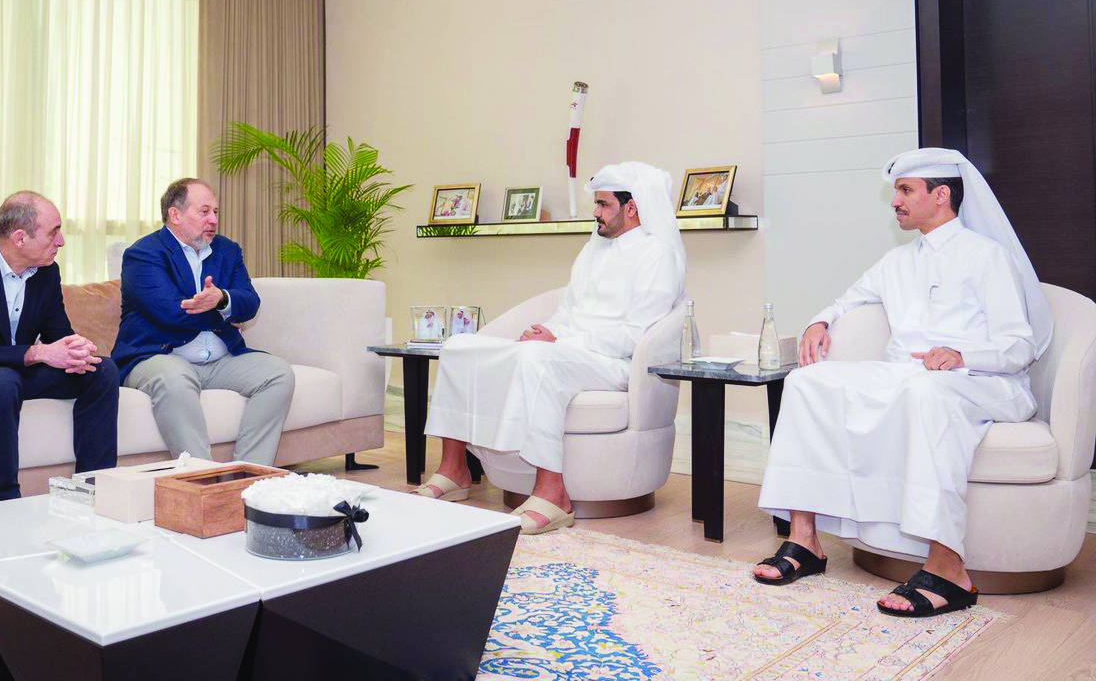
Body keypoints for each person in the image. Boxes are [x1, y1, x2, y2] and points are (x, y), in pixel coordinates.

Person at [753, 147, 1052, 618]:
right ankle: (805, 540)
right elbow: (845, 300)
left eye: (905, 190)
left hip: (981, 378)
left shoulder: (986, 256)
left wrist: (962, 355)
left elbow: (1019, 345)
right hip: (908, 375)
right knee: (807, 382)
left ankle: (949, 570)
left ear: (941, 195)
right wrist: (819, 322)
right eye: (896, 191)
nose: (895, 201)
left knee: (924, 392)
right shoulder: (896, 261)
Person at [416, 162, 686, 534]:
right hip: (570, 352)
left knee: (538, 357)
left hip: (616, 362)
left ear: (631, 208)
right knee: (460, 346)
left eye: (603, 204)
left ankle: (553, 493)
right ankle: (454, 470)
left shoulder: (657, 255)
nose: (595, 212)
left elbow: (636, 335)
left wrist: (557, 342)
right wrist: (547, 330)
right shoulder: (593, 250)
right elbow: (568, 312)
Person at [0, 191, 118, 502]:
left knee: (101, 370)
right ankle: (4, 502)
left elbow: (58, 333)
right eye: (54, 233)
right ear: (20, 238)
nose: (61, 242)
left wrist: (76, 349)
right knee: (2, 381)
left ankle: (91, 491)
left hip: (19, 374)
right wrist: (37, 352)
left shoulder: (47, 272)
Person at [112, 178, 295, 466]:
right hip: (157, 356)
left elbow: (250, 303)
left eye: (216, 212)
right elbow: (171, 313)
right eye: (204, 211)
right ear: (175, 215)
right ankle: (201, 476)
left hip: (220, 359)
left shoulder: (227, 250)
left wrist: (221, 298)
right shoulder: (144, 254)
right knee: (174, 377)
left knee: (278, 374)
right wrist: (224, 312)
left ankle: (248, 473)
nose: (213, 220)